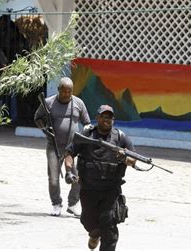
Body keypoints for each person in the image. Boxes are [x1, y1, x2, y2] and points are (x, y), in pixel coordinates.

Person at [63, 105, 137, 251]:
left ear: (113, 120)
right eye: (103, 116)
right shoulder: (86, 134)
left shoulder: (121, 138)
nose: (106, 119)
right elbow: (69, 153)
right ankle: (95, 233)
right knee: (87, 221)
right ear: (97, 118)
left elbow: (133, 161)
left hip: (111, 190)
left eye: (109, 117)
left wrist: (123, 158)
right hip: (88, 189)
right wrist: (69, 171)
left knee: (109, 225)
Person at [34, 77, 91, 217]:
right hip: (54, 146)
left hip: (72, 149)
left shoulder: (79, 103)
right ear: (58, 89)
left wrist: (86, 134)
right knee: (53, 178)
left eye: (69, 91)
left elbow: (87, 123)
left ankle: (72, 204)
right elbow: (37, 118)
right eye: (64, 91)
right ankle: (56, 203)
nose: (66, 94)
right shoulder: (48, 103)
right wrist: (44, 128)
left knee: (77, 177)